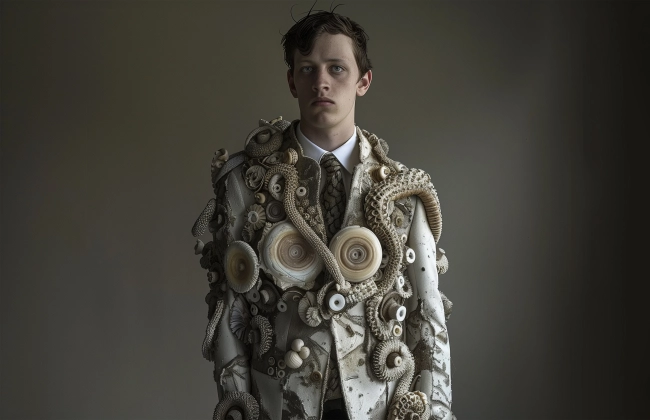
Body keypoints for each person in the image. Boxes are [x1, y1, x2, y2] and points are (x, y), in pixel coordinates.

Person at [191, 8, 455, 420]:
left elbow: (428, 318)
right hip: (282, 406)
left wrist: (435, 413)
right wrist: (239, 407)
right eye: (308, 69)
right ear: (292, 80)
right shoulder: (247, 182)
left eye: (337, 68)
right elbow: (229, 313)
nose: (322, 83)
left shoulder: (404, 192)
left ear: (363, 81)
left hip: (378, 407)